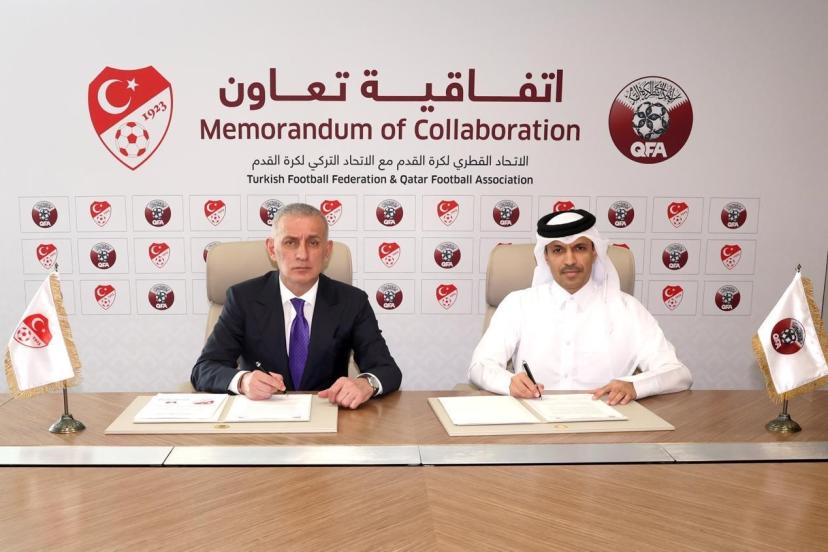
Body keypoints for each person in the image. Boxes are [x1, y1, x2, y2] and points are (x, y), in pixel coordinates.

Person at [468, 209, 692, 405]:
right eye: (558, 250)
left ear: (594, 252)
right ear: (545, 256)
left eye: (579, 248)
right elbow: (480, 366)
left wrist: (635, 386)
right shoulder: (518, 304)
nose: (570, 260)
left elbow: (678, 373)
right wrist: (509, 382)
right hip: (534, 422)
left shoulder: (628, 309)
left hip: (608, 426)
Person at [191, 203, 401, 409]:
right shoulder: (243, 299)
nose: (302, 255)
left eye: (313, 243)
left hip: (327, 416)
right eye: (290, 242)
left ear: (327, 251)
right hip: (263, 415)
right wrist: (243, 381)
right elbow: (204, 369)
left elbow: (387, 369)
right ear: (272, 249)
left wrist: (366, 384)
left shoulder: (352, 302)